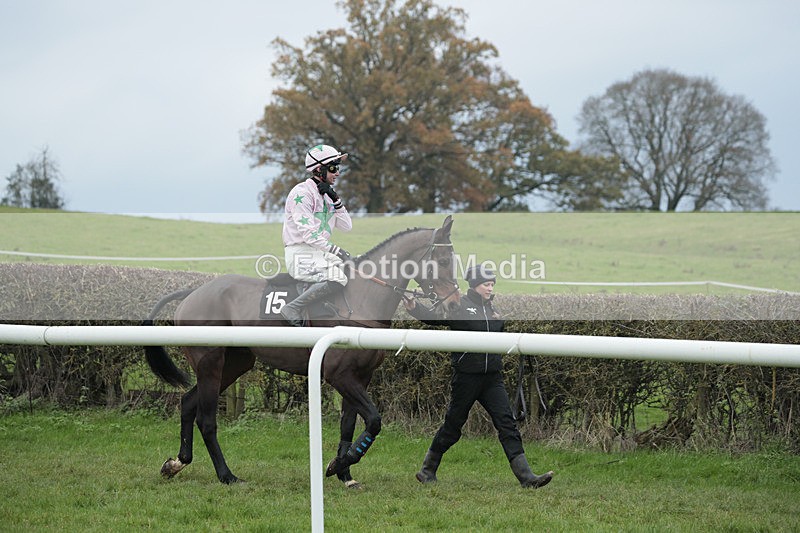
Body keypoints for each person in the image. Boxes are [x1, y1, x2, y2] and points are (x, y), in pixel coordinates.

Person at [403, 263, 554, 488]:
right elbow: (435, 318)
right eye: (486, 284)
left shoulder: (493, 310)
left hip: (492, 379)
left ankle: (526, 478)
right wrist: (414, 307)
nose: (490, 288)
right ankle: (427, 470)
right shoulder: (459, 306)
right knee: (453, 426)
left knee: (507, 424)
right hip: (467, 377)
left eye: (492, 284)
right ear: (474, 285)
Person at [281, 144, 353, 326]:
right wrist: (336, 249)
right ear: (319, 169)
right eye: (333, 168)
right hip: (300, 254)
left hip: (319, 254)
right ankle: (292, 308)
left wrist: (336, 200)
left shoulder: (328, 196)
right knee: (338, 278)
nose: (337, 173)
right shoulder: (301, 194)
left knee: (352, 268)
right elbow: (308, 234)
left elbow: (347, 227)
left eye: (338, 168)